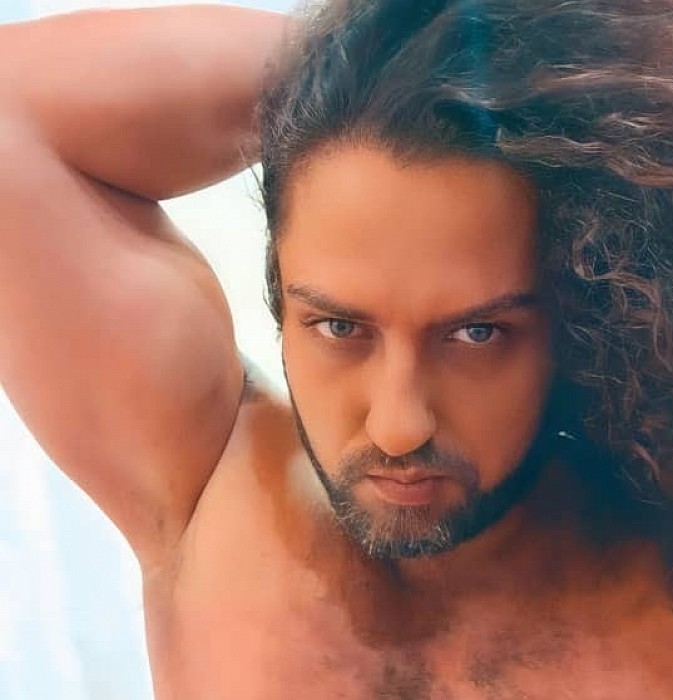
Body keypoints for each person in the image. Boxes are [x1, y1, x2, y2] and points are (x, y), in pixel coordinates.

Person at [2, 0, 673, 697]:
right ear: (277, 288)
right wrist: (382, 56)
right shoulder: (205, 491)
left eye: (476, 334)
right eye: (339, 329)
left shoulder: (653, 567)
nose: (398, 427)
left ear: (581, 314)